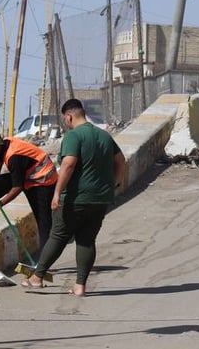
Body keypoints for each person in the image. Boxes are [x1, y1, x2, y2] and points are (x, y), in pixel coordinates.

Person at [23, 99, 127, 297]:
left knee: (58, 236)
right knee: (87, 240)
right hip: (100, 199)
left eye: (65, 119)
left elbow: (68, 164)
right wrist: (115, 184)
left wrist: (56, 193)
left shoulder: (74, 136)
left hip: (75, 198)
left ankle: (37, 277)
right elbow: (120, 160)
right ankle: (80, 286)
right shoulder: (104, 136)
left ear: (69, 116)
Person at [0, 129, 57, 261]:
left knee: (43, 222)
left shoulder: (14, 156)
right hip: (27, 173)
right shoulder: (3, 146)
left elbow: (17, 188)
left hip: (43, 178)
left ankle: (44, 263)